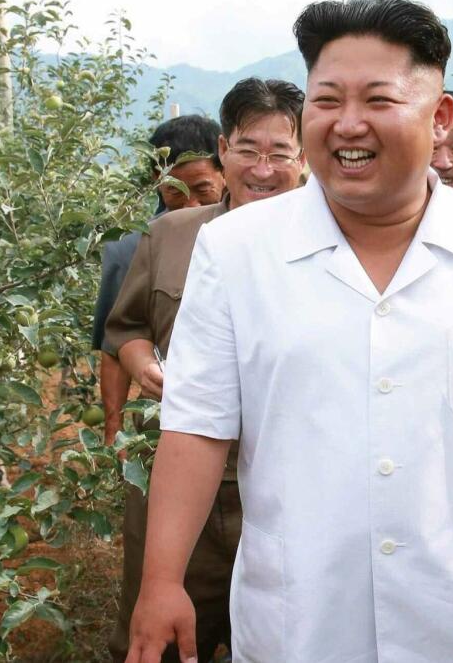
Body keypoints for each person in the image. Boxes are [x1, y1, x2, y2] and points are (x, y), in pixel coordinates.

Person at [126, 0, 453, 663]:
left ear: (441, 116)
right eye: (327, 99)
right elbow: (197, 426)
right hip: (306, 618)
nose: (348, 124)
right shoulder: (236, 252)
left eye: (378, 100)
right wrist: (162, 579)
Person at [104, 78, 306, 663]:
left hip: (278, 487)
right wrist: (142, 364)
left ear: (305, 158)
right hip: (177, 480)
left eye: (280, 154)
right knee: (157, 638)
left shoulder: (333, 245)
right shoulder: (172, 234)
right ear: (223, 149)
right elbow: (126, 328)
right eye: (247, 150)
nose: (262, 169)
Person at [93, 115, 225, 445]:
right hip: (170, 422)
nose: (190, 204)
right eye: (175, 191)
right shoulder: (132, 247)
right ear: (157, 179)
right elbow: (115, 347)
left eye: (202, 189)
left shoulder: (249, 234)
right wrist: (114, 430)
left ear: (225, 172)